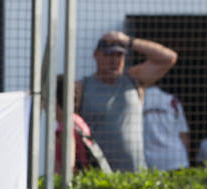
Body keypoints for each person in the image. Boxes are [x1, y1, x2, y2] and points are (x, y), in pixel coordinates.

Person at [75, 31, 177, 171]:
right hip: (98, 175)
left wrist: (129, 41)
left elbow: (168, 58)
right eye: (109, 55)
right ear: (96, 55)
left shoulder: (133, 80)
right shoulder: (82, 87)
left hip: (135, 174)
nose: (114, 61)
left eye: (119, 55)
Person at [55, 75, 110, 173]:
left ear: (53, 100)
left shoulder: (65, 127)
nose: (43, 105)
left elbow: (69, 167)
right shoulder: (78, 121)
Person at [142, 86, 190, 170]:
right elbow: (183, 134)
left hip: (150, 161)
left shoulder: (137, 100)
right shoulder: (172, 100)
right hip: (177, 159)